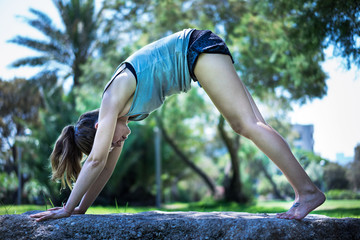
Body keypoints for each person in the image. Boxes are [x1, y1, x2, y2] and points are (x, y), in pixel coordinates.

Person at [30, 29, 325, 222]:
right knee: (254, 124)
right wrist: (81, 208)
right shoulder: (122, 114)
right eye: (118, 143)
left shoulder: (112, 99)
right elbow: (105, 167)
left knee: (246, 125)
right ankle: (305, 193)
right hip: (200, 54)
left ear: (99, 129)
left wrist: (66, 208)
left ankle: (307, 192)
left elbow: (95, 159)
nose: (123, 139)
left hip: (197, 50)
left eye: (115, 141)